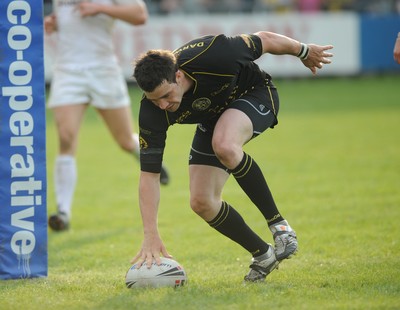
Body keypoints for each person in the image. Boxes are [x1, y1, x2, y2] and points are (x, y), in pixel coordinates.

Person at [131, 31, 333, 282]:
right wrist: (151, 234)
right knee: (201, 202)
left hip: (254, 93)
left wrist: (303, 51)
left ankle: (280, 227)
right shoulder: (152, 111)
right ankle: (263, 254)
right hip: (213, 119)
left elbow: (266, 40)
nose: (162, 105)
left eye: (166, 96)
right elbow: (149, 175)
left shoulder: (215, 53)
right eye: (155, 100)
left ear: (178, 76)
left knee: (225, 145)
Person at [44, 0, 170, 232]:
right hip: (67, 71)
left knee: (123, 140)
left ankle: (143, 157)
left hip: (103, 71)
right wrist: (54, 22)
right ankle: (63, 211)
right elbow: (69, 20)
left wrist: (101, 8)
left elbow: (140, 14)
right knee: (65, 136)